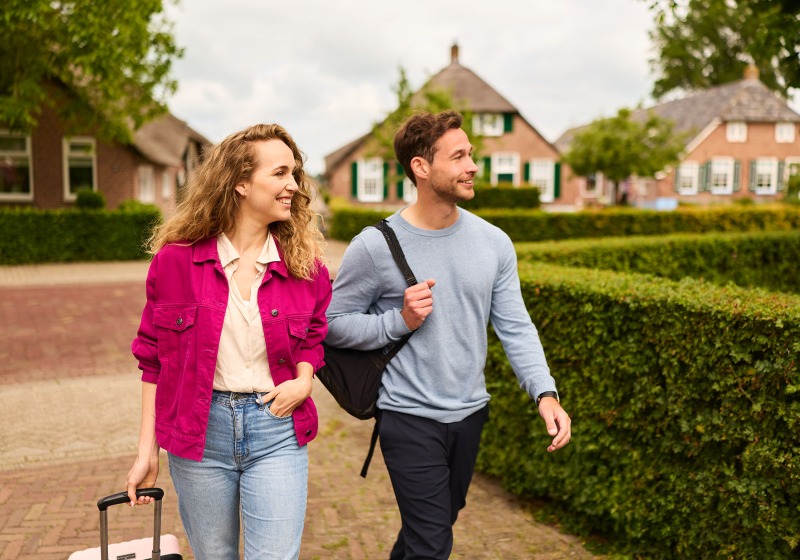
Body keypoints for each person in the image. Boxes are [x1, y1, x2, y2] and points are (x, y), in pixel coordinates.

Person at [326, 110, 571, 559]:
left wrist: (545, 393)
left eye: (470, 154)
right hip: (407, 416)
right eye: (458, 156)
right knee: (432, 543)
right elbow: (331, 323)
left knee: (429, 529)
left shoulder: (494, 242)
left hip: (470, 414)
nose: (472, 165)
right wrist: (396, 322)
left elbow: (515, 325)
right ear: (421, 167)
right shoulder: (374, 245)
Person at [125, 123, 331, 560]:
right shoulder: (175, 261)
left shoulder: (307, 268)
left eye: (293, 174)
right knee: (214, 554)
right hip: (200, 435)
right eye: (279, 174)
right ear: (240, 182)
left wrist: (305, 378)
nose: (292, 185)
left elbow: (314, 334)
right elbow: (153, 361)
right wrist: (148, 452)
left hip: (277, 427)